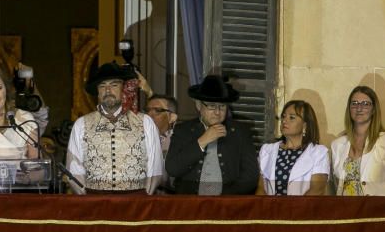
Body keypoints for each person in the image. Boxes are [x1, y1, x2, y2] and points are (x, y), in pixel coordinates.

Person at [65, 62, 163, 194]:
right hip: (95, 202)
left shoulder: (145, 122)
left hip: (136, 202)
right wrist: (87, 200)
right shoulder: (81, 124)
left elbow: (155, 166)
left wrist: (143, 199)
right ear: (97, 93)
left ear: (123, 89)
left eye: (114, 85)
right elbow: (74, 168)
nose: (108, 90)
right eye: (102, 86)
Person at [164, 74, 258, 195]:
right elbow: (172, 169)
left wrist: (225, 198)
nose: (217, 112)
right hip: (189, 205)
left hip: (228, 206)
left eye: (222, 106)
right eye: (212, 106)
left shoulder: (240, 131)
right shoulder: (183, 130)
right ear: (199, 106)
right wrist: (202, 141)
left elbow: (250, 176)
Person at [330, 85, 385, 196]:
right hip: (346, 211)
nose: (359, 108)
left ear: (373, 110)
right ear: (349, 109)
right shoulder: (338, 145)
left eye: (365, 104)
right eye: (354, 103)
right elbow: (337, 187)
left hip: (379, 211)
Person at [256, 100, 329, 196]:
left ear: (305, 125)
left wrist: (293, 210)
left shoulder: (319, 152)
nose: (284, 120)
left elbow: (316, 191)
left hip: (303, 209)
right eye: (283, 116)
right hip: (270, 209)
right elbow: (260, 188)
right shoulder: (266, 150)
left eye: (291, 117)